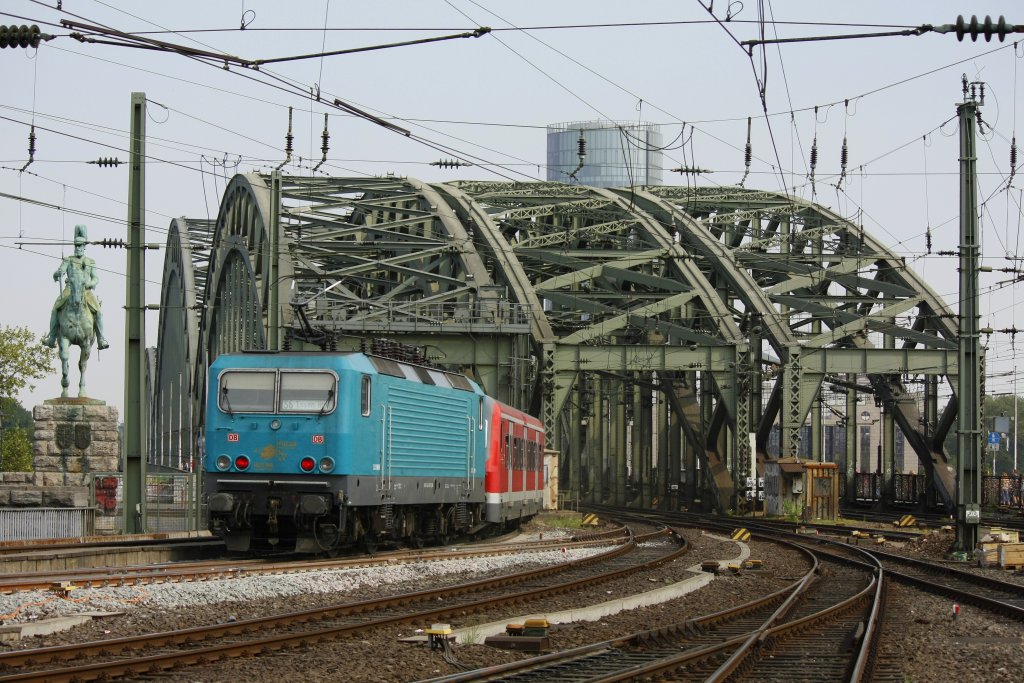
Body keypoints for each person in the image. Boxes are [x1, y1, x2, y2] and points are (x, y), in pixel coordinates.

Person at [41, 224, 109, 350]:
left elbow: (95, 277)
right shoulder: (68, 259)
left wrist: (91, 283)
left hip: (86, 290)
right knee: (55, 309)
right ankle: (51, 337)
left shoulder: (90, 261)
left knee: (98, 311)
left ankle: (101, 338)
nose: (78, 248)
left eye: (80, 246)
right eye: (76, 245)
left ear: (84, 247)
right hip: (70, 289)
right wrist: (58, 274)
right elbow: (60, 270)